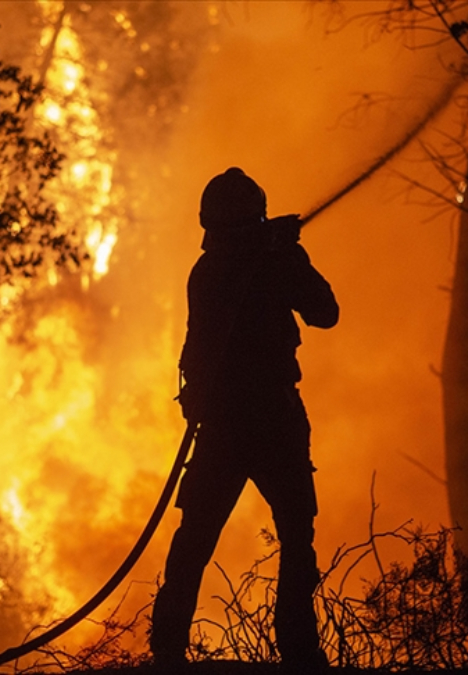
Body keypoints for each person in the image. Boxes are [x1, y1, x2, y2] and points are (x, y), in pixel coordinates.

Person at [150, 167, 339, 670]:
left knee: (194, 541)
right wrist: (286, 254)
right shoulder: (263, 263)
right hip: (270, 418)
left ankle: (167, 652)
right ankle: (299, 653)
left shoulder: (208, 271)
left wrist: (281, 251)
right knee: (296, 537)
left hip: (227, 425)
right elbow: (324, 311)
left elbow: (322, 313)